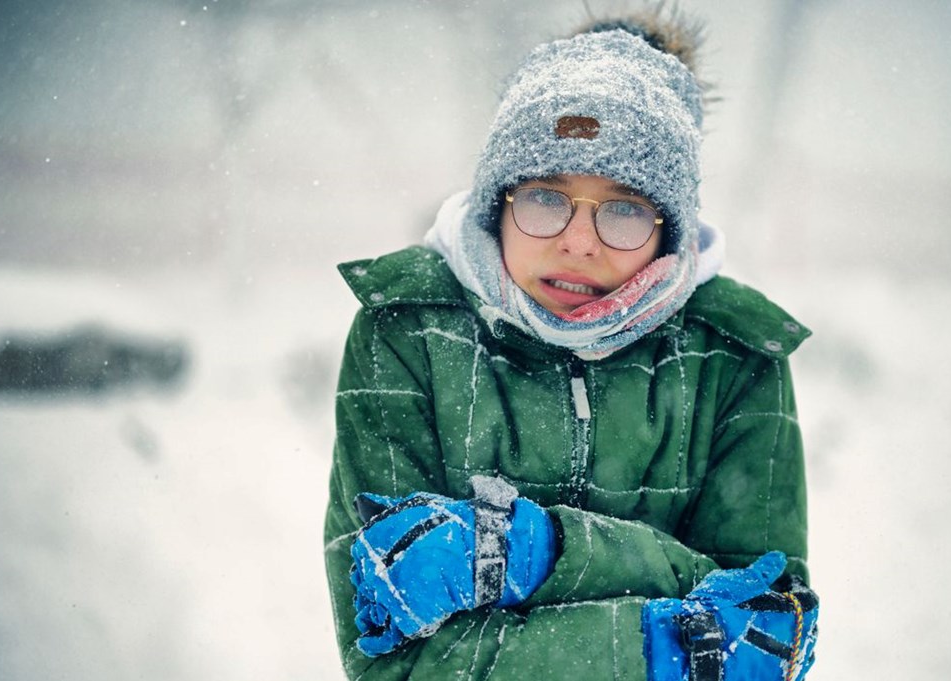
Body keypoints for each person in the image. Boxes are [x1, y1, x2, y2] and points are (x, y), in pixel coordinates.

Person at [323, 10, 819, 680]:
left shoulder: (733, 357)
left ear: (669, 228)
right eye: (545, 196)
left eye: (622, 207)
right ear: (497, 200)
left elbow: (765, 637)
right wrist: (660, 645)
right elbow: (392, 663)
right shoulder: (408, 330)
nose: (578, 241)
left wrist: (530, 552)